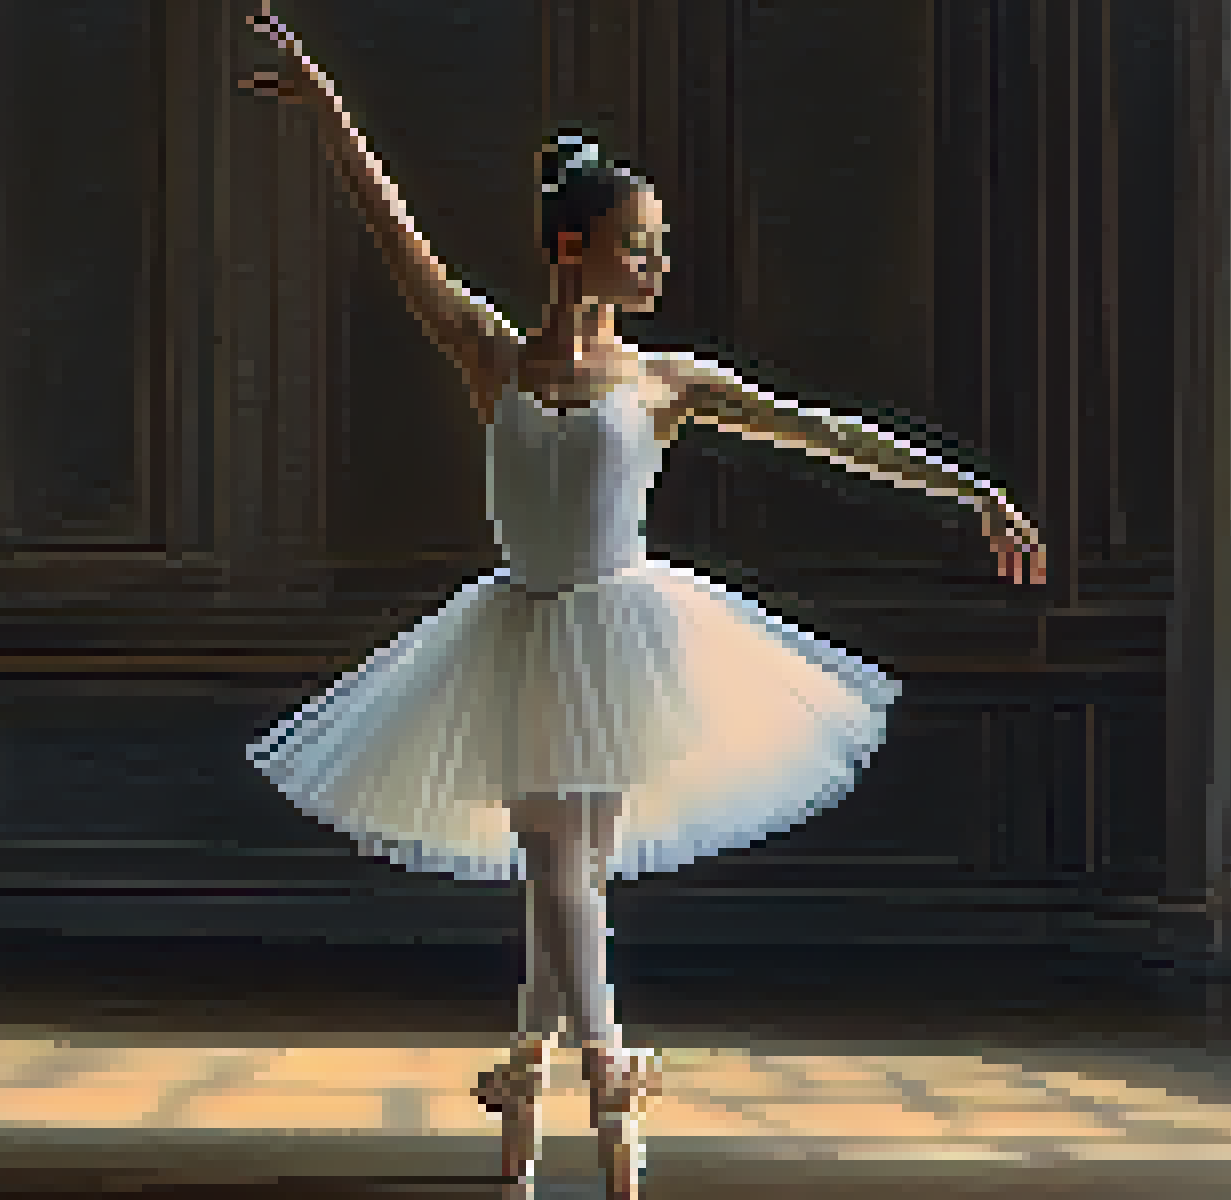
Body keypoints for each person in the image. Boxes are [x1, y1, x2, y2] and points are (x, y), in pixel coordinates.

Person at [239, 7, 1044, 1197]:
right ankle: (607, 1085)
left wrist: (967, 487)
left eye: (660, 245)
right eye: (640, 243)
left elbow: (820, 435)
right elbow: (392, 229)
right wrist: (330, 111)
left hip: (623, 633)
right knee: (561, 862)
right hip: (518, 629)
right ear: (575, 250)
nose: (660, 264)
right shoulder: (490, 354)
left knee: (567, 876)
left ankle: (531, 1086)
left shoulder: (669, 383)